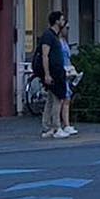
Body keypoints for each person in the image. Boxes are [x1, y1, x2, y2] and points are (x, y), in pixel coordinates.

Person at [35, 10, 67, 139]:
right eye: (62, 19)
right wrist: (47, 74)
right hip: (53, 73)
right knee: (58, 99)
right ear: (57, 21)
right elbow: (45, 55)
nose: (63, 22)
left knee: (51, 99)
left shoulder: (54, 36)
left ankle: (47, 126)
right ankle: (56, 127)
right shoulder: (48, 36)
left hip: (57, 71)